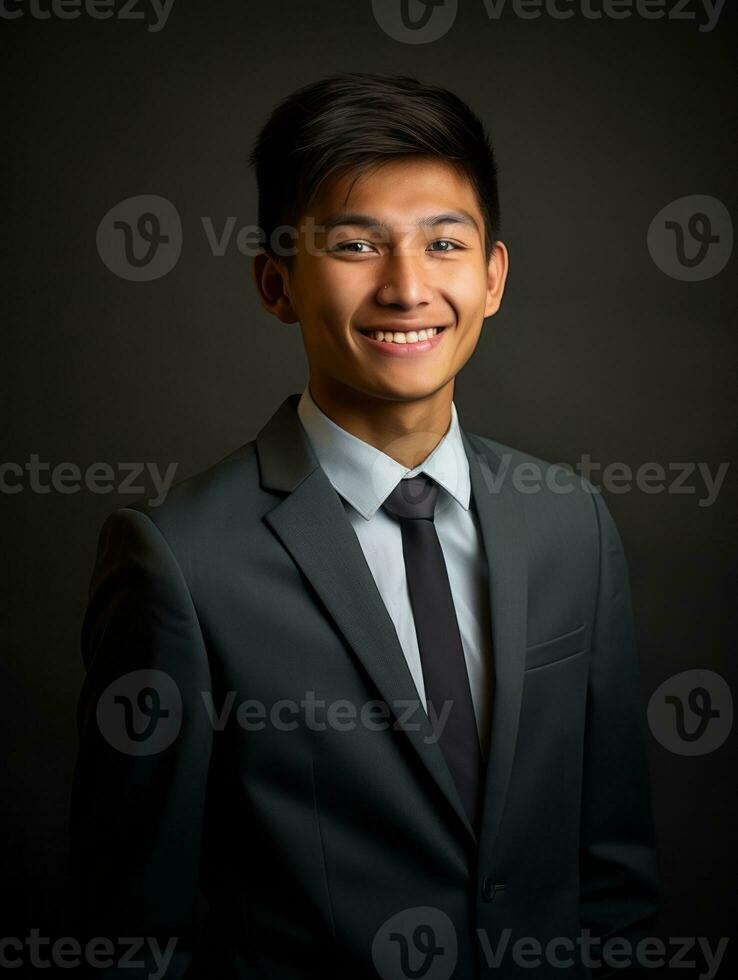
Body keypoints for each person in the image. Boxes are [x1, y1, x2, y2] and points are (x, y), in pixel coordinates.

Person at [69, 72, 660, 979]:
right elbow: (131, 936)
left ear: (493, 277)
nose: (407, 287)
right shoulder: (180, 563)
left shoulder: (571, 523)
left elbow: (616, 879)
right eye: (354, 245)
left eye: (445, 243)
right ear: (276, 283)